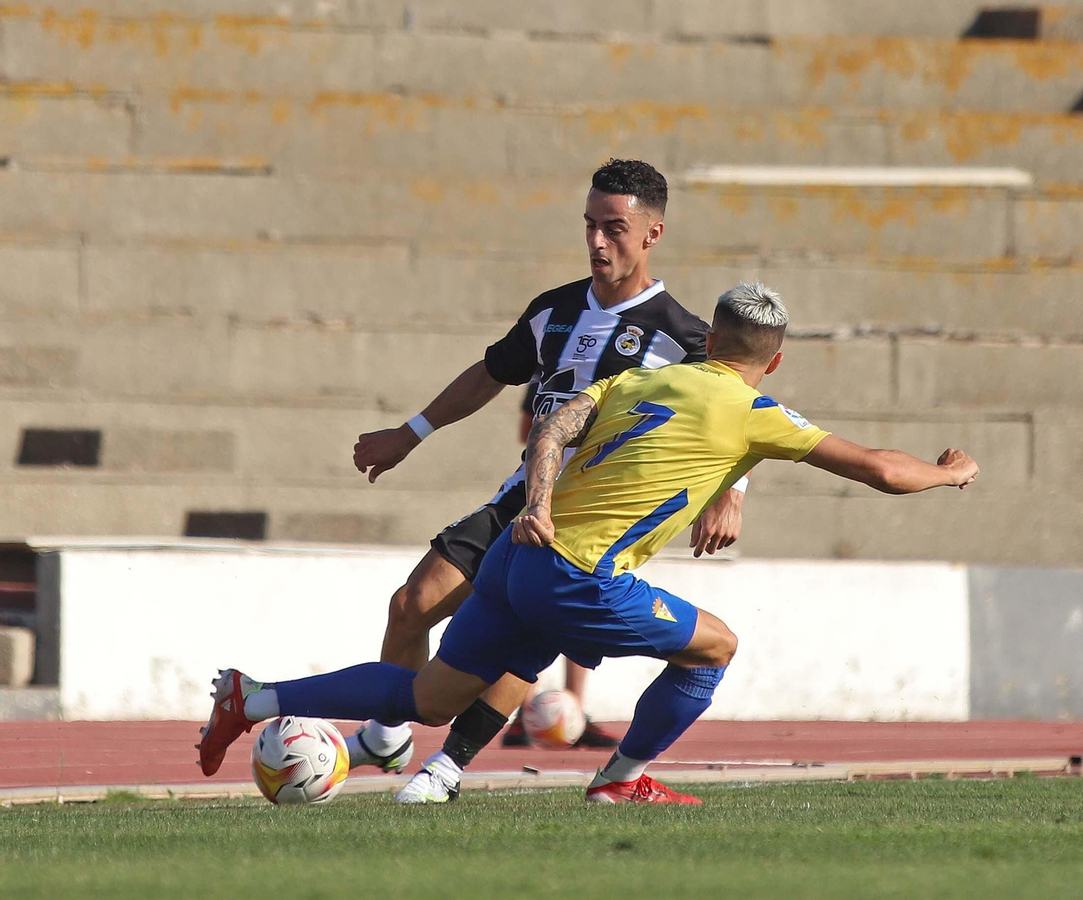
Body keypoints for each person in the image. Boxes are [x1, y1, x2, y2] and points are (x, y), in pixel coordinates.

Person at [198, 282, 979, 804]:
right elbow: (881, 470)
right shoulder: (757, 409)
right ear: (773, 361)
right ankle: (621, 779)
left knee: (428, 696)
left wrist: (534, 504)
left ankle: (254, 698)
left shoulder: (634, 382)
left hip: (517, 554)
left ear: (710, 341)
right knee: (715, 647)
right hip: (582, 577)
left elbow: (551, 424)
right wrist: (949, 474)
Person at [344, 159, 747, 802]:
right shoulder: (554, 311)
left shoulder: (685, 336)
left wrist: (731, 493)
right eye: (589, 226)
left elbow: (742, 410)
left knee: (520, 642)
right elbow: (489, 372)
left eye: (614, 228)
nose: (596, 242)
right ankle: (390, 736)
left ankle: (445, 770)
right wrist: (409, 433)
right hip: (517, 500)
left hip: (587, 523)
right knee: (411, 603)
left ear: (652, 234)